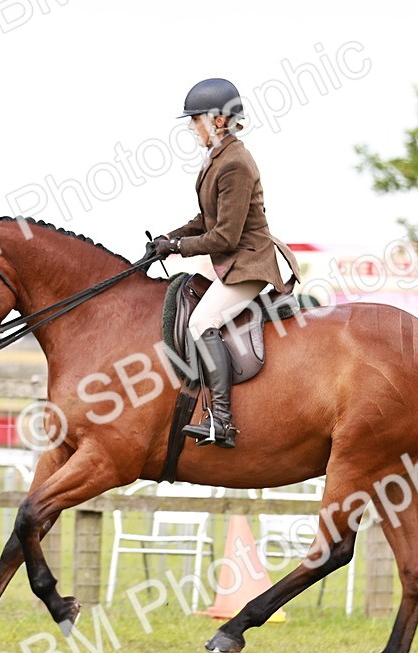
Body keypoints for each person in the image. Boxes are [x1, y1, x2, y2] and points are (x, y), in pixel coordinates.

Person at [150, 78, 298, 449]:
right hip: (230, 261)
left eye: (195, 119)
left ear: (218, 120)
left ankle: (221, 421)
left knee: (202, 321)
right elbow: (205, 220)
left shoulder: (235, 164)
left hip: (248, 264)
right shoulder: (219, 157)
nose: (190, 126)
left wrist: (180, 247)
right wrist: (166, 241)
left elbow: (225, 237)